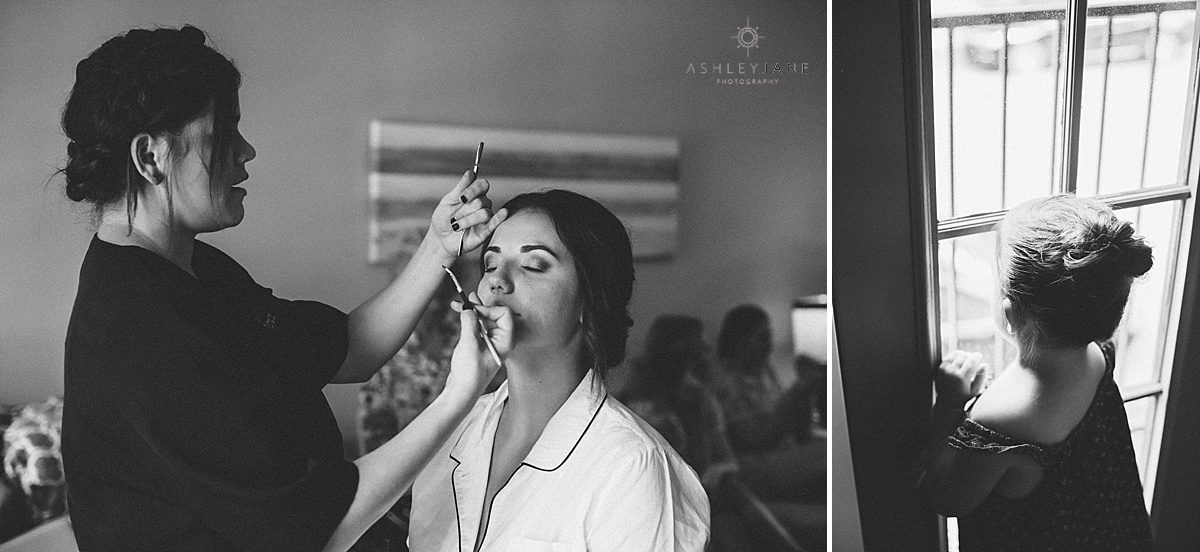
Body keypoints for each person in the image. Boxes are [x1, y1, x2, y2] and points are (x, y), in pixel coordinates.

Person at [58, 26, 510, 552]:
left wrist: (437, 245)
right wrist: (459, 394)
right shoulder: (141, 329)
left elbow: (349, 349)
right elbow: (315, 529)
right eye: (223, 132)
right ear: (151, 158)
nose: (246, 152)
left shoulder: (191, 269)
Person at [407, 190, 711, 551]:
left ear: (589, 299)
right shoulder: (449, 429)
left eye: (534, 265)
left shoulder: (632, 466)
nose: (496, 281)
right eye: (489, 264)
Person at [919, 195, 1154, 550]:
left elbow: (945, 498)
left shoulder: (998, 420)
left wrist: (950, 406)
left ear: (1010, 315)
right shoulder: (1098, 356)